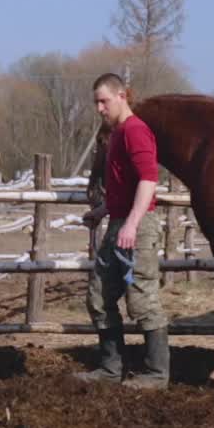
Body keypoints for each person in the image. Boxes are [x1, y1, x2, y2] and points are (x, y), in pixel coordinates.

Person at [74, 73, 169, 390]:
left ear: (121, 96)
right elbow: (124, 187)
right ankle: (110, 369)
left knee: (142, 299)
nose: (99, 108)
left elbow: (148, 181)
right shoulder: (116, 135)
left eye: (104, 101)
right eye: (96, 102)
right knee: (99, 296)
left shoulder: (135, 131)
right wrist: (104, 211)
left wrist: (130, 223)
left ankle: (157, 374)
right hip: (119, 222)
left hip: (137, 226)